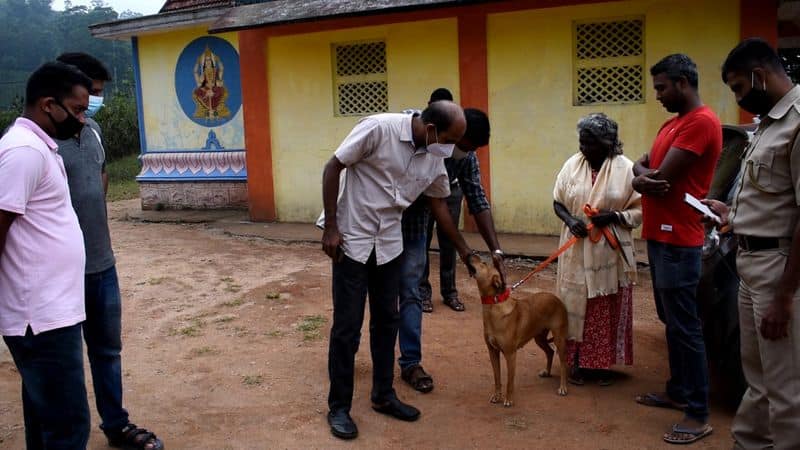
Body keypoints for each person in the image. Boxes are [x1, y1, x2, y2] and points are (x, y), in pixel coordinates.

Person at [321, 100, 476, 440]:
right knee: (347, 327)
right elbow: (333, 166)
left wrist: (465, 252)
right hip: (352, 239)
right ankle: (339, 407)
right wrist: (331, 226)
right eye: (450, 138)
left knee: (387, 321)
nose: (451, 148)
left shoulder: (435, 155)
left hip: (389, 243)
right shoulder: (379, 128)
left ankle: (383, 394)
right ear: (432, 129)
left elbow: (439, 203)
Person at [55, 52, 164, 450]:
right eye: (91, 94)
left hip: (100, 264)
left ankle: (115, 424)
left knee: (107, 351)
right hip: (58, 274)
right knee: (61, 364)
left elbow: (99, 171)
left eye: (97, 95)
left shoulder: (95, 130)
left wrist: (95, 206)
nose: (95, 102)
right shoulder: (40, 141)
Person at [704, 38, 800, 450]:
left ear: (760, 75)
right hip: (750, 265)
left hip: (779, 271)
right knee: (756, 378)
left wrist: (784, 296)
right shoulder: (769, 126)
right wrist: (729, 214)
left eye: (740, 88)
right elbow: (771, 199)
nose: (741, 99)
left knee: (785, 388)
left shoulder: (798, 122)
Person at [0, 61, 92, 450]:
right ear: (47, 104)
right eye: (77, 110)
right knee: (67, 428)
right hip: (39, 318)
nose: (82, 120)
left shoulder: (39, 146)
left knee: (46, 420)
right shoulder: (23, 152)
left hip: (49, 313)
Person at [631, 54, 721, 445]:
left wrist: (643, 178)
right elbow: (643, 166)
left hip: (678, 239)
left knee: (685, 325)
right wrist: (642, 178)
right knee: (671, 320)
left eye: (662, 87)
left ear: (683, 83)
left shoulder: (701, 123)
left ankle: (698, 412)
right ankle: (678, 390)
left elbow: (660, 177)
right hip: (659, 236)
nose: (658, 96)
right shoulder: (673, 124)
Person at [398, 105, 504, 393]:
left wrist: (495, 251)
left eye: (470, 149)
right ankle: (351, 350)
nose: (462, 152)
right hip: (385, 220)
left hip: (414, 226)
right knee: (374, 291)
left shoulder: (464, 156)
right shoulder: (417, 132)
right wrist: (466, 252)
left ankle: (410, 362)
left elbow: (476, 199)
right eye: (462, 144)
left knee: (410, 292)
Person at [553, 113, 641, 387]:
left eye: (589, 142)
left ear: (607, 143)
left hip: (608, 252)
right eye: (581, 141)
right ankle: (575, 362)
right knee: (573, 303)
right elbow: (557, 202)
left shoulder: (626, 168)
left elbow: (638, 210)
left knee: (603, 306)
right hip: (576, 248)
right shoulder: (572, 164)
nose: (583, 148)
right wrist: (571, 221)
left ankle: (600, 364)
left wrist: (612, 217)